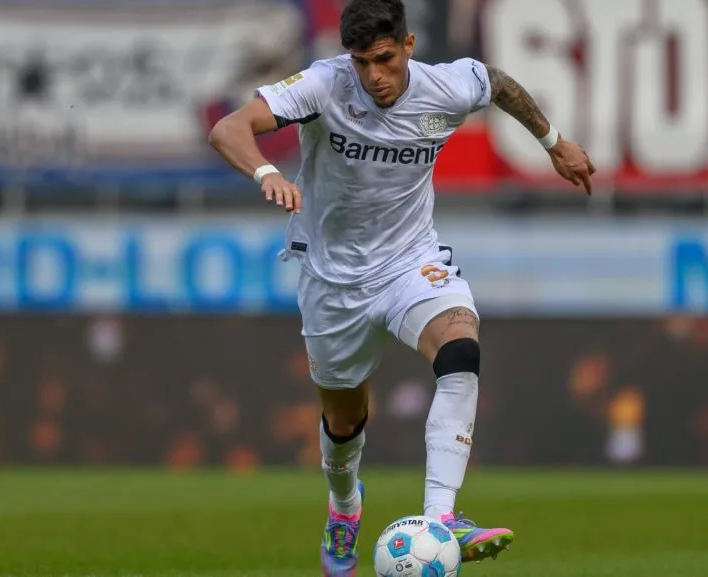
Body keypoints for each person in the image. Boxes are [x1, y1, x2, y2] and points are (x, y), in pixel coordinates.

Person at [208, 0, 595, 574]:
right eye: (361, 63)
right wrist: (266, 172)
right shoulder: (323, 84)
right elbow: (228, 128)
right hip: (332, 280)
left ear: (408, 45)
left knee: (461, 349)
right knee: (343, 422)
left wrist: (554, 141)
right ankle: (344, 509)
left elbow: (499, 84)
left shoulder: (448, 85)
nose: (374, 77)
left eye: (384, 60)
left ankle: (441, 520)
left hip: (410, 262)